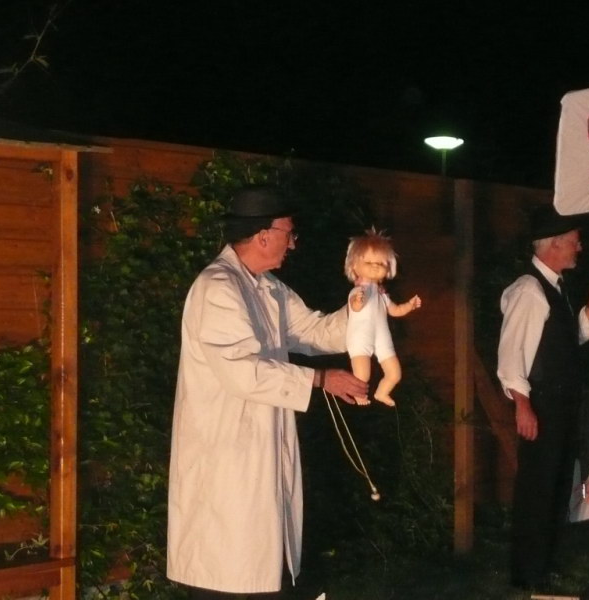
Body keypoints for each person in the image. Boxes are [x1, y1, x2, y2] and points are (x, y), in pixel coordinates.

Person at [166, 186, 369, 599]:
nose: (293, 243)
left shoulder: (269, 288)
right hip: (226, 458)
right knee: (227, 570)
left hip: (261, 450)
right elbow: (242, 372)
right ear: (263, 236)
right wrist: (319, 380)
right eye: (288, 234)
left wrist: (365, 306)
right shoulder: (218, 288)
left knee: (261, 565)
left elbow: (314, 332)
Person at [496, 203, 589, 589]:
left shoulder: (556, 287)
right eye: (575, 241)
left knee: (559, 485)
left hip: (561, 405)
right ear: (554, 244)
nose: (580, 247)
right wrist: (523, 405)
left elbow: (564, 340)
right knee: (538, 488)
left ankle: (545, 564)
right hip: (541, 403)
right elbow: (512, 353)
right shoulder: (529, 290)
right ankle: (528, 573)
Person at [344, 228, 422, 406]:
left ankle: (382, 392)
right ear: (354, 266)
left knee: (395, 373)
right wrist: (358, 301)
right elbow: (355, 306)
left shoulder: (382, 294)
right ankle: (358, 395)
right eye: (369, 262)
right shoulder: (358, 291)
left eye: (381, 263)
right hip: (360, 336)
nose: (375, 266)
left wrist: (409, 305)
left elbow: (395, 310)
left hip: (381, 336)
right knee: (362, 374)